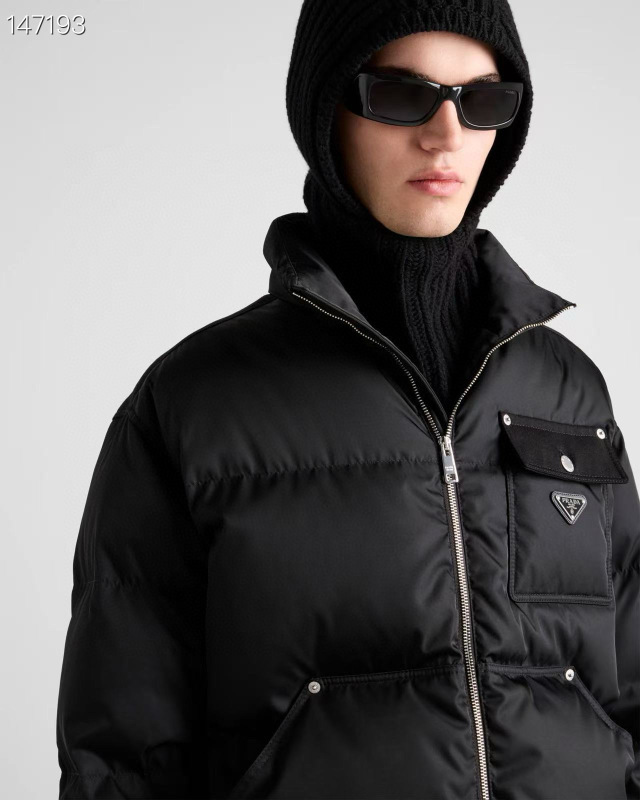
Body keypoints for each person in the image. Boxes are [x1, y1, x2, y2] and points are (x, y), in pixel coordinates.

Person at [56, 0, 640, 798]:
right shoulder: (195, 404)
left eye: (483, 100)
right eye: (402, 95)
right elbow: (125, 761)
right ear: (326, 108)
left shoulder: (568, 390)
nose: (446, 135)